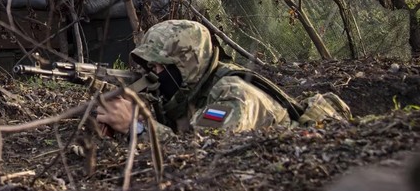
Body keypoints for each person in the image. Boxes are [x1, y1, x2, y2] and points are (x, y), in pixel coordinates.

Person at [96, 20, 350, 138]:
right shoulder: (197, 90)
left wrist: (137, 127)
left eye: (160, 67)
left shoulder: (232, 95)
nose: (154, 75)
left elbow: (199, 151)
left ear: (187, 64)